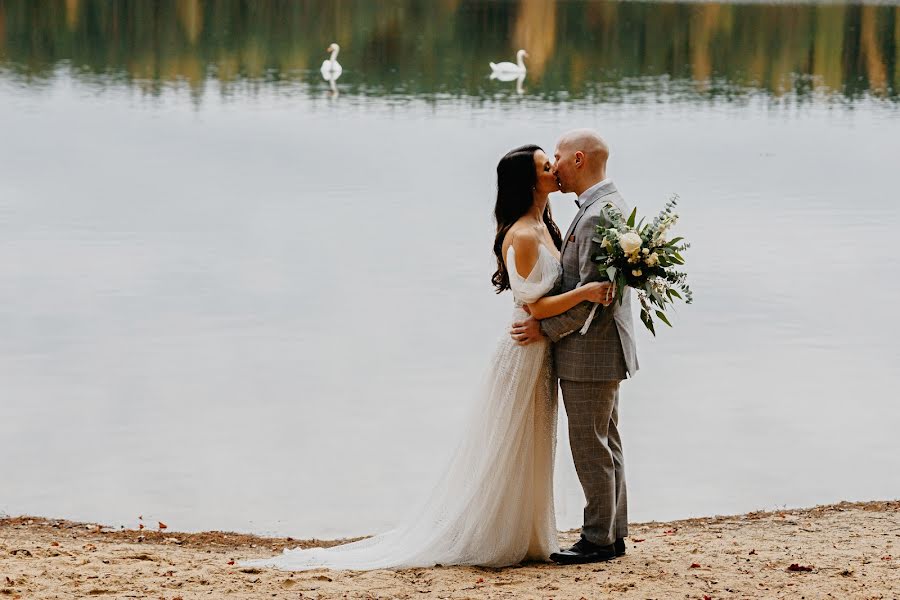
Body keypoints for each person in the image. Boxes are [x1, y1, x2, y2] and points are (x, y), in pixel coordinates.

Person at [239, 144, 615, 571]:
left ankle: (525, 532)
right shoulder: (525, 234)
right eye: (547, 166)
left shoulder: (545, 223)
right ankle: (492, 533)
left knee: (530, 443)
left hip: (542, 352)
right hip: (524, 351)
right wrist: (586, 292)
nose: (555, 170)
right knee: (508, 443)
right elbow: (535, 307)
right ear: (530, 182)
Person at [510, 129, 639, 565]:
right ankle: (613, 533)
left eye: (559, 158)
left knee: (591, 447)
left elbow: (592, 300)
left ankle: (598, 539)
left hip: (590, 352)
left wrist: (544, 331)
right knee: (606, 442)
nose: (555, 167)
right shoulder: (607, 205)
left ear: (578, 159)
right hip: (604, 350)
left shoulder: (598, 214)